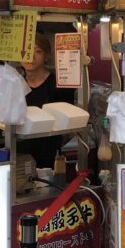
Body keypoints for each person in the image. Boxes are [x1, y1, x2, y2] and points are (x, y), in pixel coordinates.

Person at [17, 33, 75, 169]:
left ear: (46, 56)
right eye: (26, 52)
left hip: (50, 157)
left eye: (37, 51)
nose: (30, 57)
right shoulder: (15, 84)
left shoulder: (58, 85)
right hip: (20, 154)